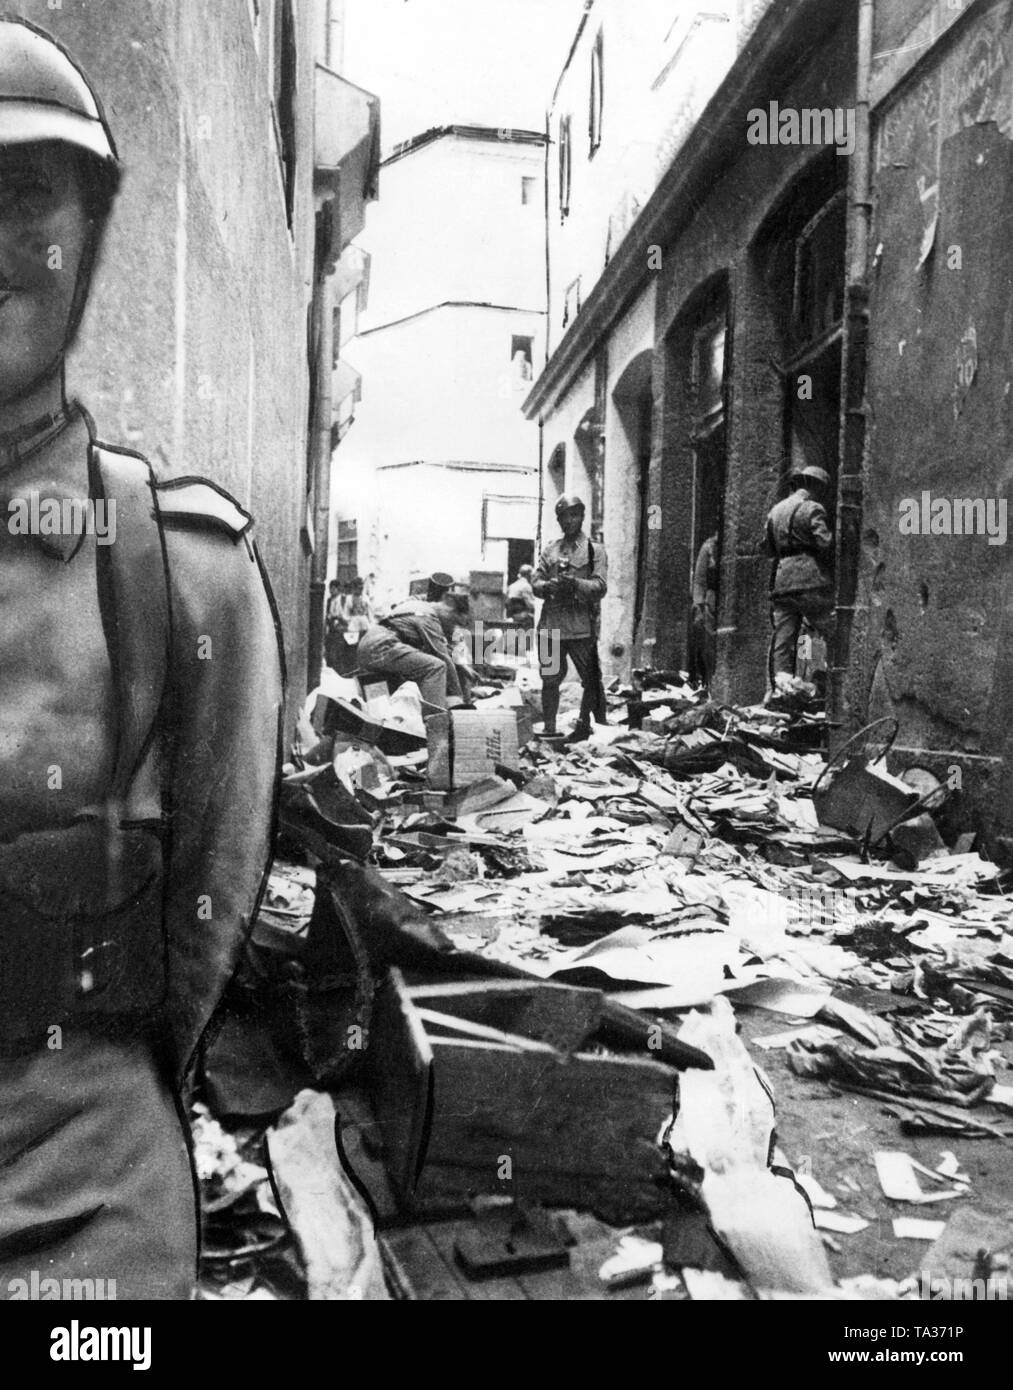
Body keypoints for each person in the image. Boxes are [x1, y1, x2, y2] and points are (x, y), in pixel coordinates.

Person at [0, 20, 283, 1300]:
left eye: (23, 196)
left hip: (82, 1197)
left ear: (91, 235)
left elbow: (211, 904)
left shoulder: (184, 571)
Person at [532, 494, 608, 742]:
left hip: (580, 625)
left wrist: (575, 583)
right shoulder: (551, 549)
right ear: (559, 519)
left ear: (583, 516)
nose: (569, 520)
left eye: (574, 515)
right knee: (550, 678)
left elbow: (600, 586)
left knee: (590, 679)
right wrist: (548, 586)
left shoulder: (594, 550)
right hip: (551, 624)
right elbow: (536, 582)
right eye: (564, 516)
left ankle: (584, 724)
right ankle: (550, 727)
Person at [765, 464, 835, 693]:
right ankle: (835, 688)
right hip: (809, 579)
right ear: (815, 486)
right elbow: (825, 542)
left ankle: (781, 689)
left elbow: (767, 548)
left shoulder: (775, 511)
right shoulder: (813, 508)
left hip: (782, 581)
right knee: (831, 630)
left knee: (783, 640)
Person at [356, 594, 463, 709]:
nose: (454, 627)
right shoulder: (428, 616)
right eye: (456, 622)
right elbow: (442, 656)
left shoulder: (417, 605)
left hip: (370, 644)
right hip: (381, 646)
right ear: (451, 610)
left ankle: (382, 714)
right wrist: (457, 696)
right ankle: (434, 720)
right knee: (436, 667)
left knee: (416, 669)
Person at [689, 531, 719, 688]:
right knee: (709, 645)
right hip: (712, 601)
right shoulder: (709, 547)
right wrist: (699, 605)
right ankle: (709, 681)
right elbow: (700, 580)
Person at [505, 563, 535, 629]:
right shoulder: (526, 586)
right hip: (522, 618)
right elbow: (531, 605)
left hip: (512, 617)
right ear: (529, 575)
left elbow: (507, 603)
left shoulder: (511, 586)